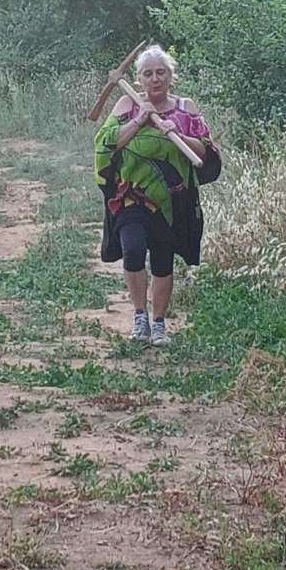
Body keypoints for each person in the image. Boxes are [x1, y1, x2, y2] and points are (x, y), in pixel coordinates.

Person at [94, 44, 221, 346]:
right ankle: (140, 317)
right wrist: (139, 121)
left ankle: (159, 323)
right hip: (131, 196)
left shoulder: (186, 109)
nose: (155, 79)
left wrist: (175, 131)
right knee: (134, 250)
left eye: (161, 72)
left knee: (163, 260)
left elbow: (207, 149)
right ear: (138, 79)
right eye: (148, 73)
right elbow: (105, 143)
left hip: (172, 200)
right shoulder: (126, 105)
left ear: (170, 76)